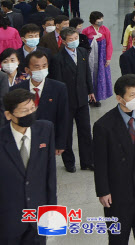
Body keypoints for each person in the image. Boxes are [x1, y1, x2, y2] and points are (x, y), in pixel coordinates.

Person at [93, 74, 135, 244]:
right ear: (119, 98)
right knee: (118, 237)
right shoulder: (103, 125)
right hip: (118, 192)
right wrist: (103, 191)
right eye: (132, 95)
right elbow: (100, 162)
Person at [0, 89, 56, 245]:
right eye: (24, 111)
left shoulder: (46, 129)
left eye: (32, 108)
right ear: (9, 115)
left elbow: (50, 173)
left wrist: (52, 208)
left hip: (38, 214)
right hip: (8, 218)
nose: (30, 114)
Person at [51, 27, 96, 173]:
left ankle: (87, 161)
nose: (74, 41)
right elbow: (57, 82)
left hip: (82, 98)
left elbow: (87, 73)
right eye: (70, 39)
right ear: (63, 41)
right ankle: (69, 162)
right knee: (67, 133)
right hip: (67, 101)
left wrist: (90, 90)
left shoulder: (82, 52)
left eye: (76, 38)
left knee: (85, 131)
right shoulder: (58, 59)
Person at [11, 51, 69, 158]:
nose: (41, 70)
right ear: (27, 70)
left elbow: (63, 117)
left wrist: (60, 143)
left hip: (47, 139)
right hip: (24, 139)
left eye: (44, 66)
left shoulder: (59, 88)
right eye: (37, 67)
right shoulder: (17, 90)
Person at [82, 11, 113, 107]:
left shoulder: (105, 30)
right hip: (90, 57)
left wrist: (108, 58)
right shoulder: (86, 31)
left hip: (101, 58)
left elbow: (109, 44)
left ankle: (97, 97)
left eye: (101, 18)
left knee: (100, 77)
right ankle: (90, 96)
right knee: (89, 76)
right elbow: (83, 45)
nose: (101, 21)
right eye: (99, 19)